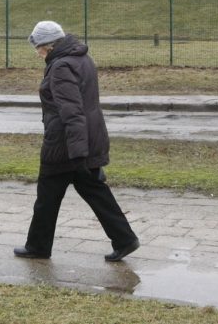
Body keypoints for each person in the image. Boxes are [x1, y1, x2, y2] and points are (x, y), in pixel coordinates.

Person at [14, 20, 140, 262]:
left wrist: (78, 152)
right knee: (95, 192)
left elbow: (72, 111)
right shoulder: (82, 58)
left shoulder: (61, 66)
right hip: (84, 140)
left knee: (47, 197)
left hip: (65, 145)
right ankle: (124, 239)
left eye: (39, 47)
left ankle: (38, 246)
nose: (37, 53)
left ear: (49, 46)